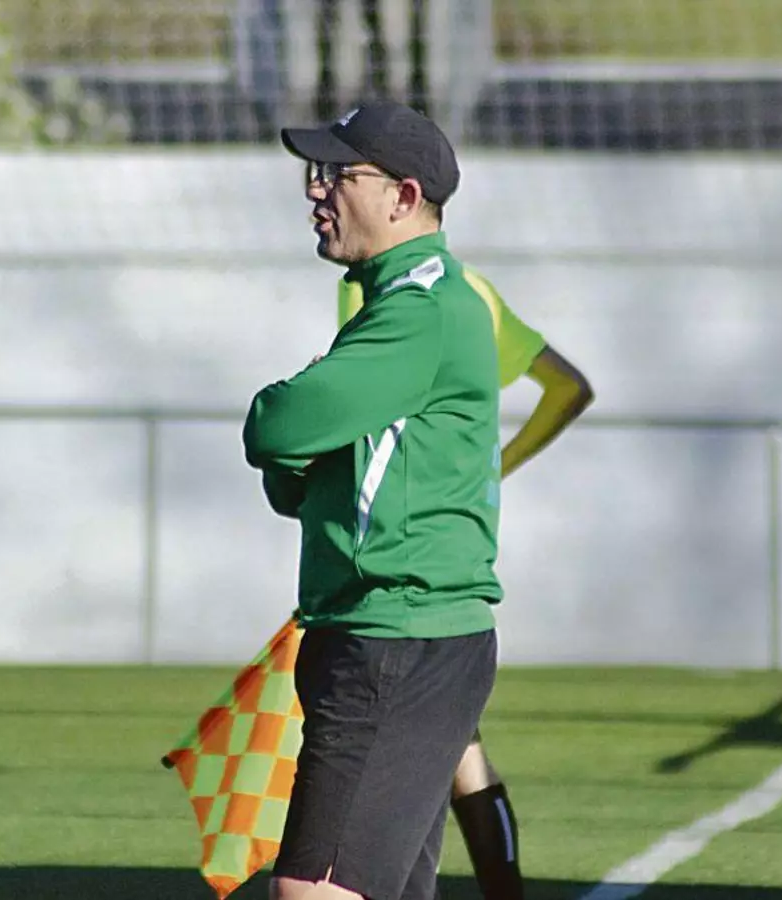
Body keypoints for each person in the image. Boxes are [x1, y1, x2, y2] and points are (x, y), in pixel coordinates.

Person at [242, 100, 503, 900]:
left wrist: (283, 425)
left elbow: (278, 426)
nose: (315, 190)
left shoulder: (421, 310)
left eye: (337, 173)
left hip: (393, 642)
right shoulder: (399, 301)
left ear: (403, 196)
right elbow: (295, 476)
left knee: (313, 890)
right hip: (394, 638)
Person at [337, 268, 594, 900]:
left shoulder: (379, 289)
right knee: (457, 748)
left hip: (399, 561)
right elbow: (569, 388)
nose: (324, 214)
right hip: (453, 554)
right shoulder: (472, 290)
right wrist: (492, 472)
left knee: (399, 751)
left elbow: (354, 416)